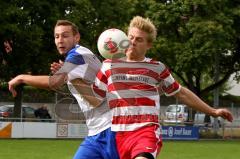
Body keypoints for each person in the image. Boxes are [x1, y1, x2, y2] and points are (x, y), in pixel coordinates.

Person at [76, 16, 233, 159]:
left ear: (149, 44)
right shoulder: (108, 65)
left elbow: (182, 93)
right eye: (130, 37)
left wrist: (212, 111)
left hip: (145, 131)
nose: (132, 42)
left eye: (139, 39)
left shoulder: (157, 67)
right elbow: (96, 99)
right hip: (116, 135)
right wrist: (74, 80)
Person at [8, 20, 119, 159]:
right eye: (57, 36)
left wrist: (21, 78)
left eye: (65, 36)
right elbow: (86, 89)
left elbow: (54, 83)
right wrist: (66, 75)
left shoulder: (77, 54)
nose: (60, 40)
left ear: (76, 37)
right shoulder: (77, 58)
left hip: (111, 128)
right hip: (97, 131)